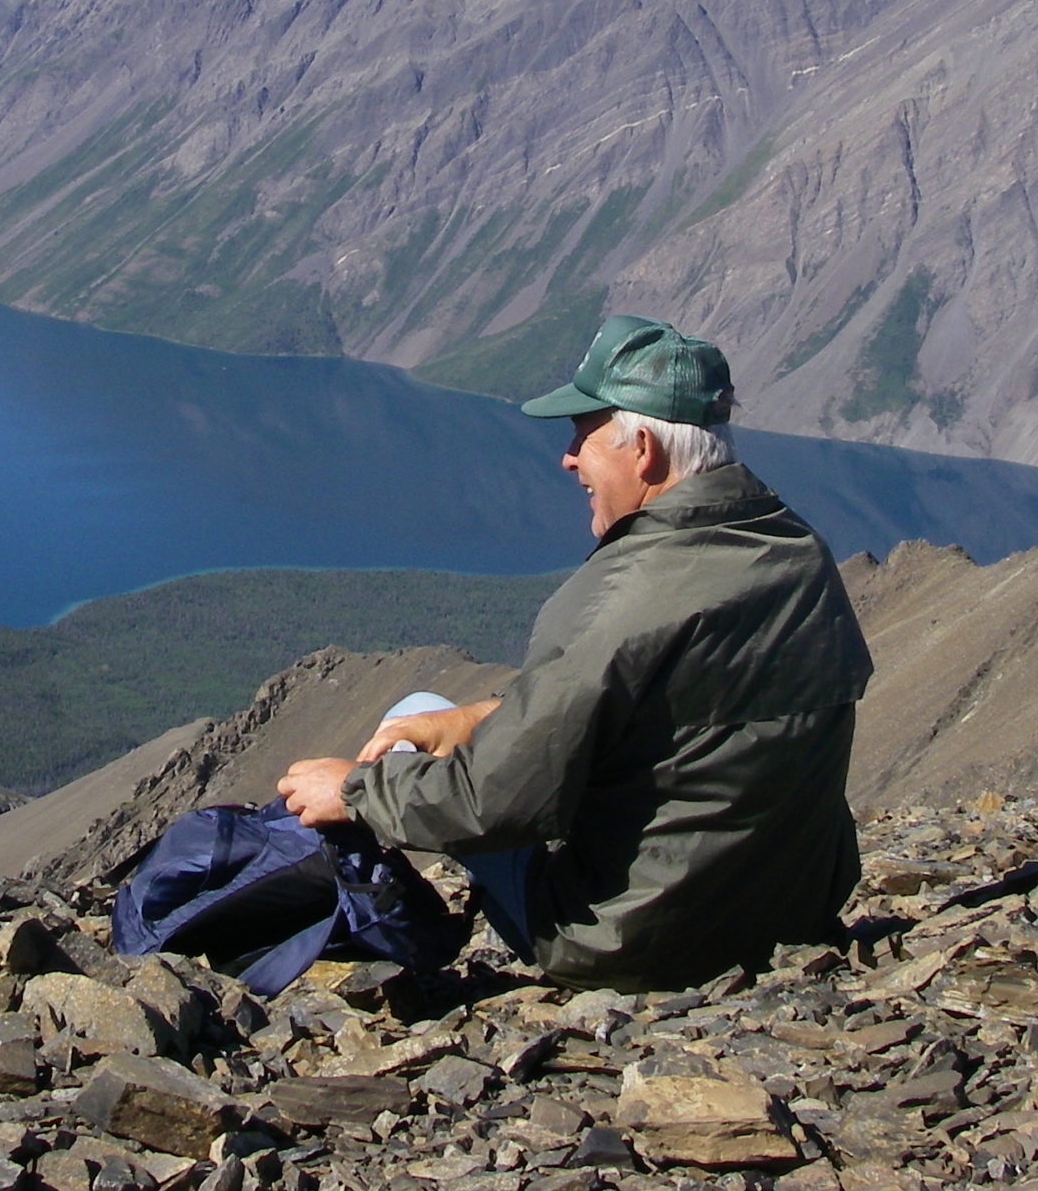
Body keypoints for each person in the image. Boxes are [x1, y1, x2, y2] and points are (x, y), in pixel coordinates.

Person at [277, 313, 872, 991]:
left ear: (642, 448)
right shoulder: (800, 554)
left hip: (634, 942)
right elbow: (674, 698)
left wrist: (353, 790)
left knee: (412, 716)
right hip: (794, 916)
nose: (567, 457)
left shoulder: (619, 595)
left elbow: (492, 802)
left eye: (583, 437)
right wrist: (478, 716)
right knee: (447, 721)